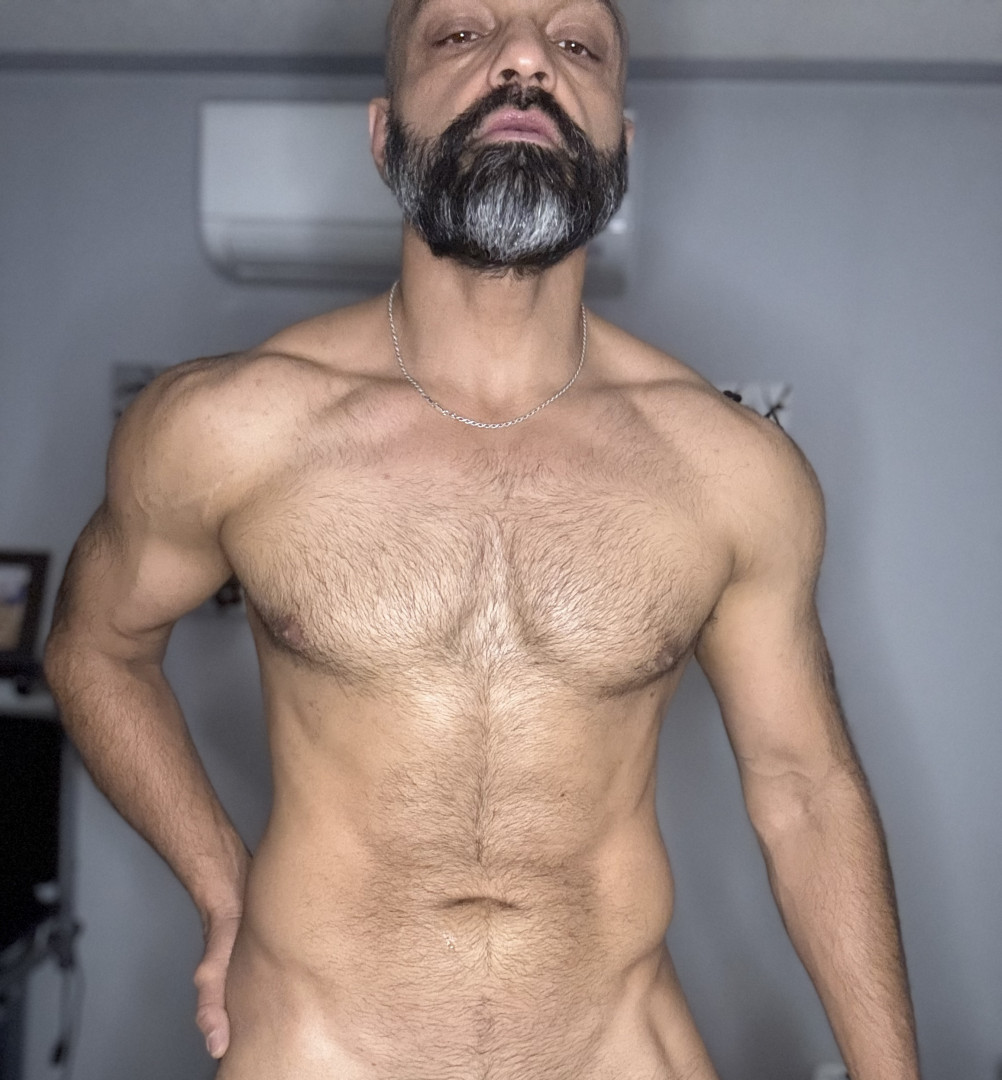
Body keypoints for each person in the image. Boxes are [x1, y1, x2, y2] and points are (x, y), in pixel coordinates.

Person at [43, 0, 922, 1077]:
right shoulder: (232, 427)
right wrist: (221, 880)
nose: (525, 57)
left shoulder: (730, 469)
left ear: (620, 146)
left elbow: (806, 789)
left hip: (616, 1048)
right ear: (384, 136)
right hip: (319, 1046)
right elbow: (93, 649)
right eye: (462, 33)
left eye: (577, 43)